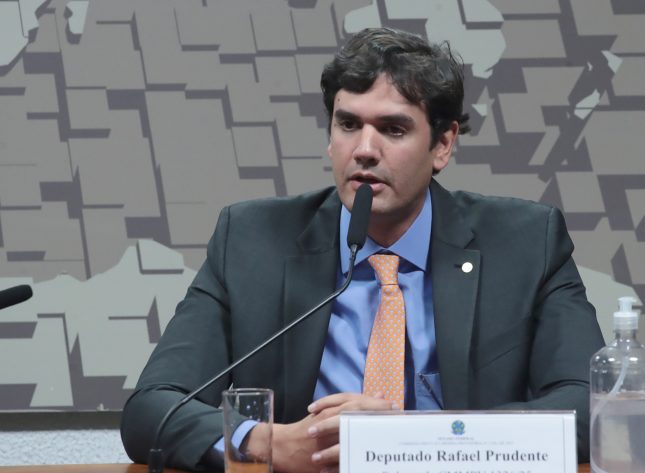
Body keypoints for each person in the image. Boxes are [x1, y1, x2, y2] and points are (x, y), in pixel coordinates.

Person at [121, 27, 604, 472]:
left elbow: (591, 409)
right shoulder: (251, 240)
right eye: (348, 124)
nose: (364, 149)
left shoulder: (526, 243)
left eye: (393, 129)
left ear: (443, 144)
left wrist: (413, 440)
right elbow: (151, 410)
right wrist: (267, 443)